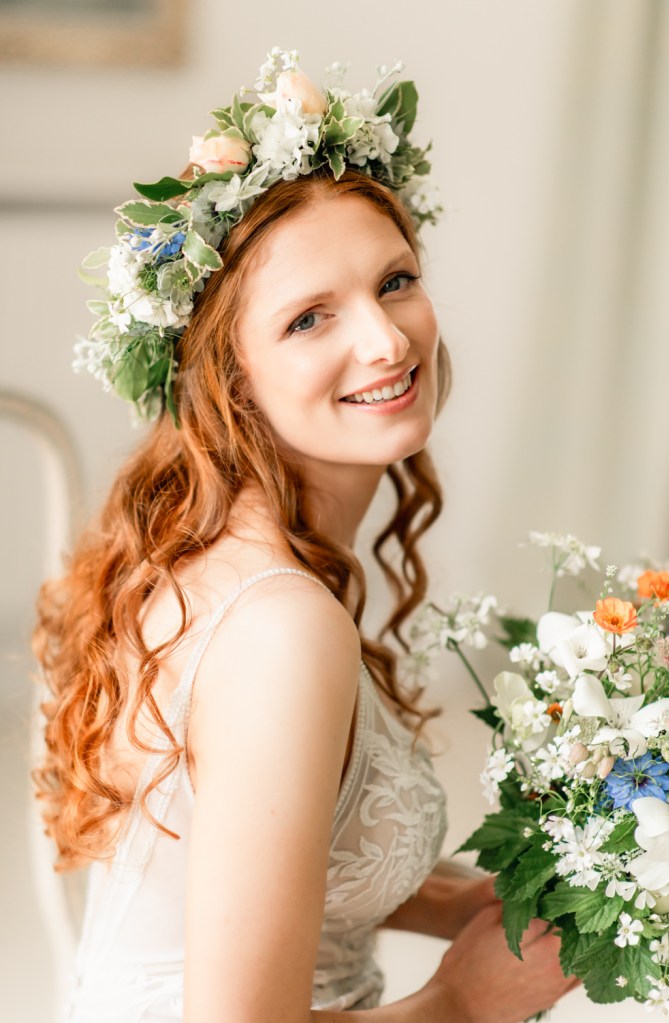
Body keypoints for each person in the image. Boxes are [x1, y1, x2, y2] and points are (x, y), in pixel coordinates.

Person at [33, 49, 577, 1023]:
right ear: (231, 378)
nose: (385, 340)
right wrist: (461, 1002)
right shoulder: (281, 626)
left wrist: (454, 897)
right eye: (309, 318)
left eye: (396, 280)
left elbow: (248, 842)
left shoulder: (217, 553)